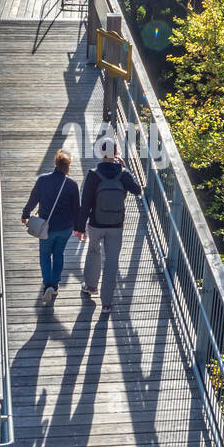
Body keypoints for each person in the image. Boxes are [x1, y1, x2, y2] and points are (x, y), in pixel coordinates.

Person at [75, 133, 142, 314]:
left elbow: (86, 202)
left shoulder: (93, 175)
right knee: (112, 262)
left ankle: (90, 286)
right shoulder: (123, 173)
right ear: (116, 152)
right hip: (116, 225)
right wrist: (125, 168)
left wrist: (79, 227)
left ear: (99, 152)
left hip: (96, 224)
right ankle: (106, 303)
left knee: (93, 251)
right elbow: (137, 190)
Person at [22, 149, 80, 305]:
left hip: (46, 228)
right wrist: (79, 227)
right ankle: (55, 285)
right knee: (59, 254)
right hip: (65, 228)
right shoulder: (72, 184)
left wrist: (25, 214)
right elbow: (76, 209)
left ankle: (47, 284)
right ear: (68, 166)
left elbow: (33, 199)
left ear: (55, 163)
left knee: (45, 255)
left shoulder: (43, 180)